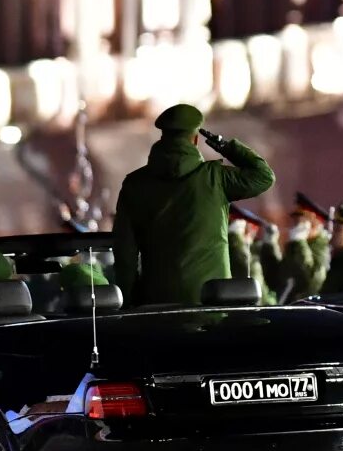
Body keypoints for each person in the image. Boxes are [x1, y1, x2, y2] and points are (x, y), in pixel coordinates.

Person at [114, 104, 276, 307]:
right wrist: (225, 146)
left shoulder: (134, 184)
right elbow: (263, 177)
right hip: (213, 302)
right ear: (196, 139)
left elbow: (124, 252)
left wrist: (130, 303)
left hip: (157, 304)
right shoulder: (216, 178)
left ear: (163, 137)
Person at [276, 194, 331, 303]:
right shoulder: (296, 245)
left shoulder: (323, 247)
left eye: (299, 221)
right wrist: (268, 248)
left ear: (314, 223)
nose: (296, 225)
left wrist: (299, 243)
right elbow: (278, 279)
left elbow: (311, 282)